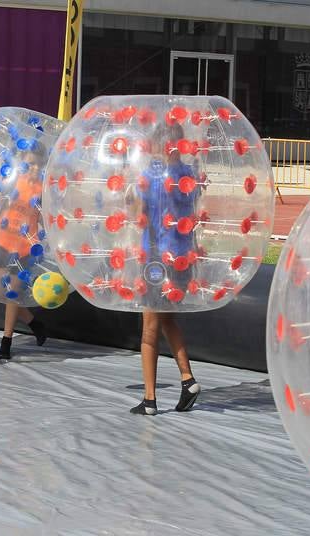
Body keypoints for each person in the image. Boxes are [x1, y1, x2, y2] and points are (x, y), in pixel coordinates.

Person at [130, 123, 201, 415]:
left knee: (149, 330)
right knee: (168, 320)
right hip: (183, 260)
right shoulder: (190, 175)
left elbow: (139, 215)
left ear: (161, 146)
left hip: (157, 261)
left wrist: (130, 196)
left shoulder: (151, 176)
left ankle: (149, 399)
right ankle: (188, 380)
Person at [0, 153, 47, 360]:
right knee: (1, 293)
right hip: (3, 240)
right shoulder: (13, 180)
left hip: (24, 246)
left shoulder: (43, 189)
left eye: (38, 164)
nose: (34, 167)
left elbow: (44, 218)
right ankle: (35, 324)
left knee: (11, 293)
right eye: (30, 163)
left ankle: (6, 342)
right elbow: (1, 207)